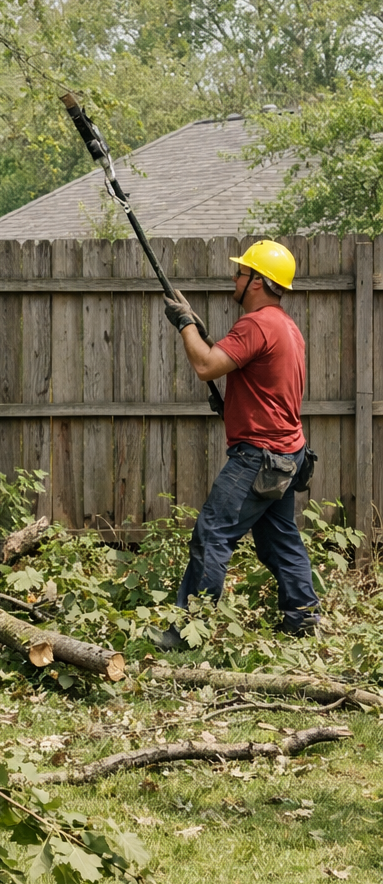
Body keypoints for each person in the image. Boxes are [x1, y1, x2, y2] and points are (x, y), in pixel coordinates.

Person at [161, 240, 320, 648]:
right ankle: (303, 619)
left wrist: (185, 324)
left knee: (212, 534)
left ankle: (189, 633)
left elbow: (206, 365)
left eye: (241, 273)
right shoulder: (286, 326)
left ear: (257, 282)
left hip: (258, 458)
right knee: (279, 538)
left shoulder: (256, 325)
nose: (234, 278)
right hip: (288, 454)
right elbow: (254, 377)